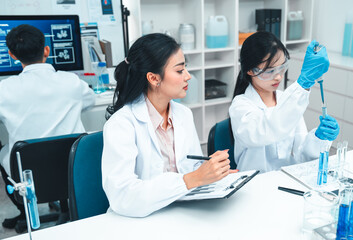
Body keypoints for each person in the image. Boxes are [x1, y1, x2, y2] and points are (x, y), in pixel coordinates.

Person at [102, 33, 236, 218]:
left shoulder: (183, 114)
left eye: (185, 68)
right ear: (154, 78)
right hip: (139, 220)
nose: (188, 76)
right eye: (180, 71)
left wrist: (212, 170)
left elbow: (190, 168)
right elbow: (123, 197)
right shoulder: (121, 125)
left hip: (181, 213)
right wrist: (192, 179)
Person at [0, 24, 95, 228]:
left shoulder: (4, 90)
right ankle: (66, 205)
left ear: (11, 54)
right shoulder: (72, 82)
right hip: (73, 169)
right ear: (47, 50)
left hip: (29, 175)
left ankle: (23, 210)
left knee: (4, 151)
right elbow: (91, 102)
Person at [229, 31, 340, 173]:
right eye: (270, 71)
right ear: (250, 70)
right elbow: (267, 128)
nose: (278, 77)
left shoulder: (285, 100)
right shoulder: (240, 106)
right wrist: (303, 84)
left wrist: (318, 139)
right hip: (254, 185)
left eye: (282, 67)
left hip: (286, 180)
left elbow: (301, 156)